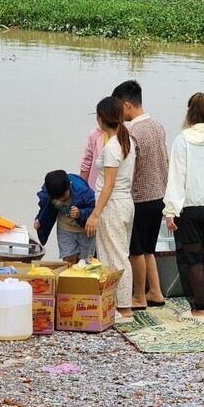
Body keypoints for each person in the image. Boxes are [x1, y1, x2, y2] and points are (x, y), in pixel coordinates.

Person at [163, 93, 204, 322]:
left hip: (190, 208)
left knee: (193, 259)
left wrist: (170, 210)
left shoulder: (182, 140)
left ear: (188, 112)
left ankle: (200, 309)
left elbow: (176, 176)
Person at [112, 80, 169, 310]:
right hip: (158, 197)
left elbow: (130, 168)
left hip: (139, 198)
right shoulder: (157, 125)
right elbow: (164, 159)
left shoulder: (131, 131)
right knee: (148, 249)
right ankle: (156, 292)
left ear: (126, 105)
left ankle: (138, 296)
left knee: (135, 251)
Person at [85, 96, 136, 323]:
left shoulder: (113, 146)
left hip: (113, 204)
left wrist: (95, 214)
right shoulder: (127, 141)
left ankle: (124, 309)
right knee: (118, 254)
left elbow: (109, 184)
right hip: (124, 202)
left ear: (101, 119)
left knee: (115, 257)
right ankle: (118, 304)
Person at [33, 170, 96, 264]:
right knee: (68, 259)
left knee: (85, 262)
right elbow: (44, 209)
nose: (61, 199)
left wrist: (80, 213)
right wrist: (38, 220)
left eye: (64, 195)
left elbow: (95, 209)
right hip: (65, 229)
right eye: (57, 197)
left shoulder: (82, 191)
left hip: (85, 230)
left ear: (70, 185)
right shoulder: (50, 192)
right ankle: (69, 278)